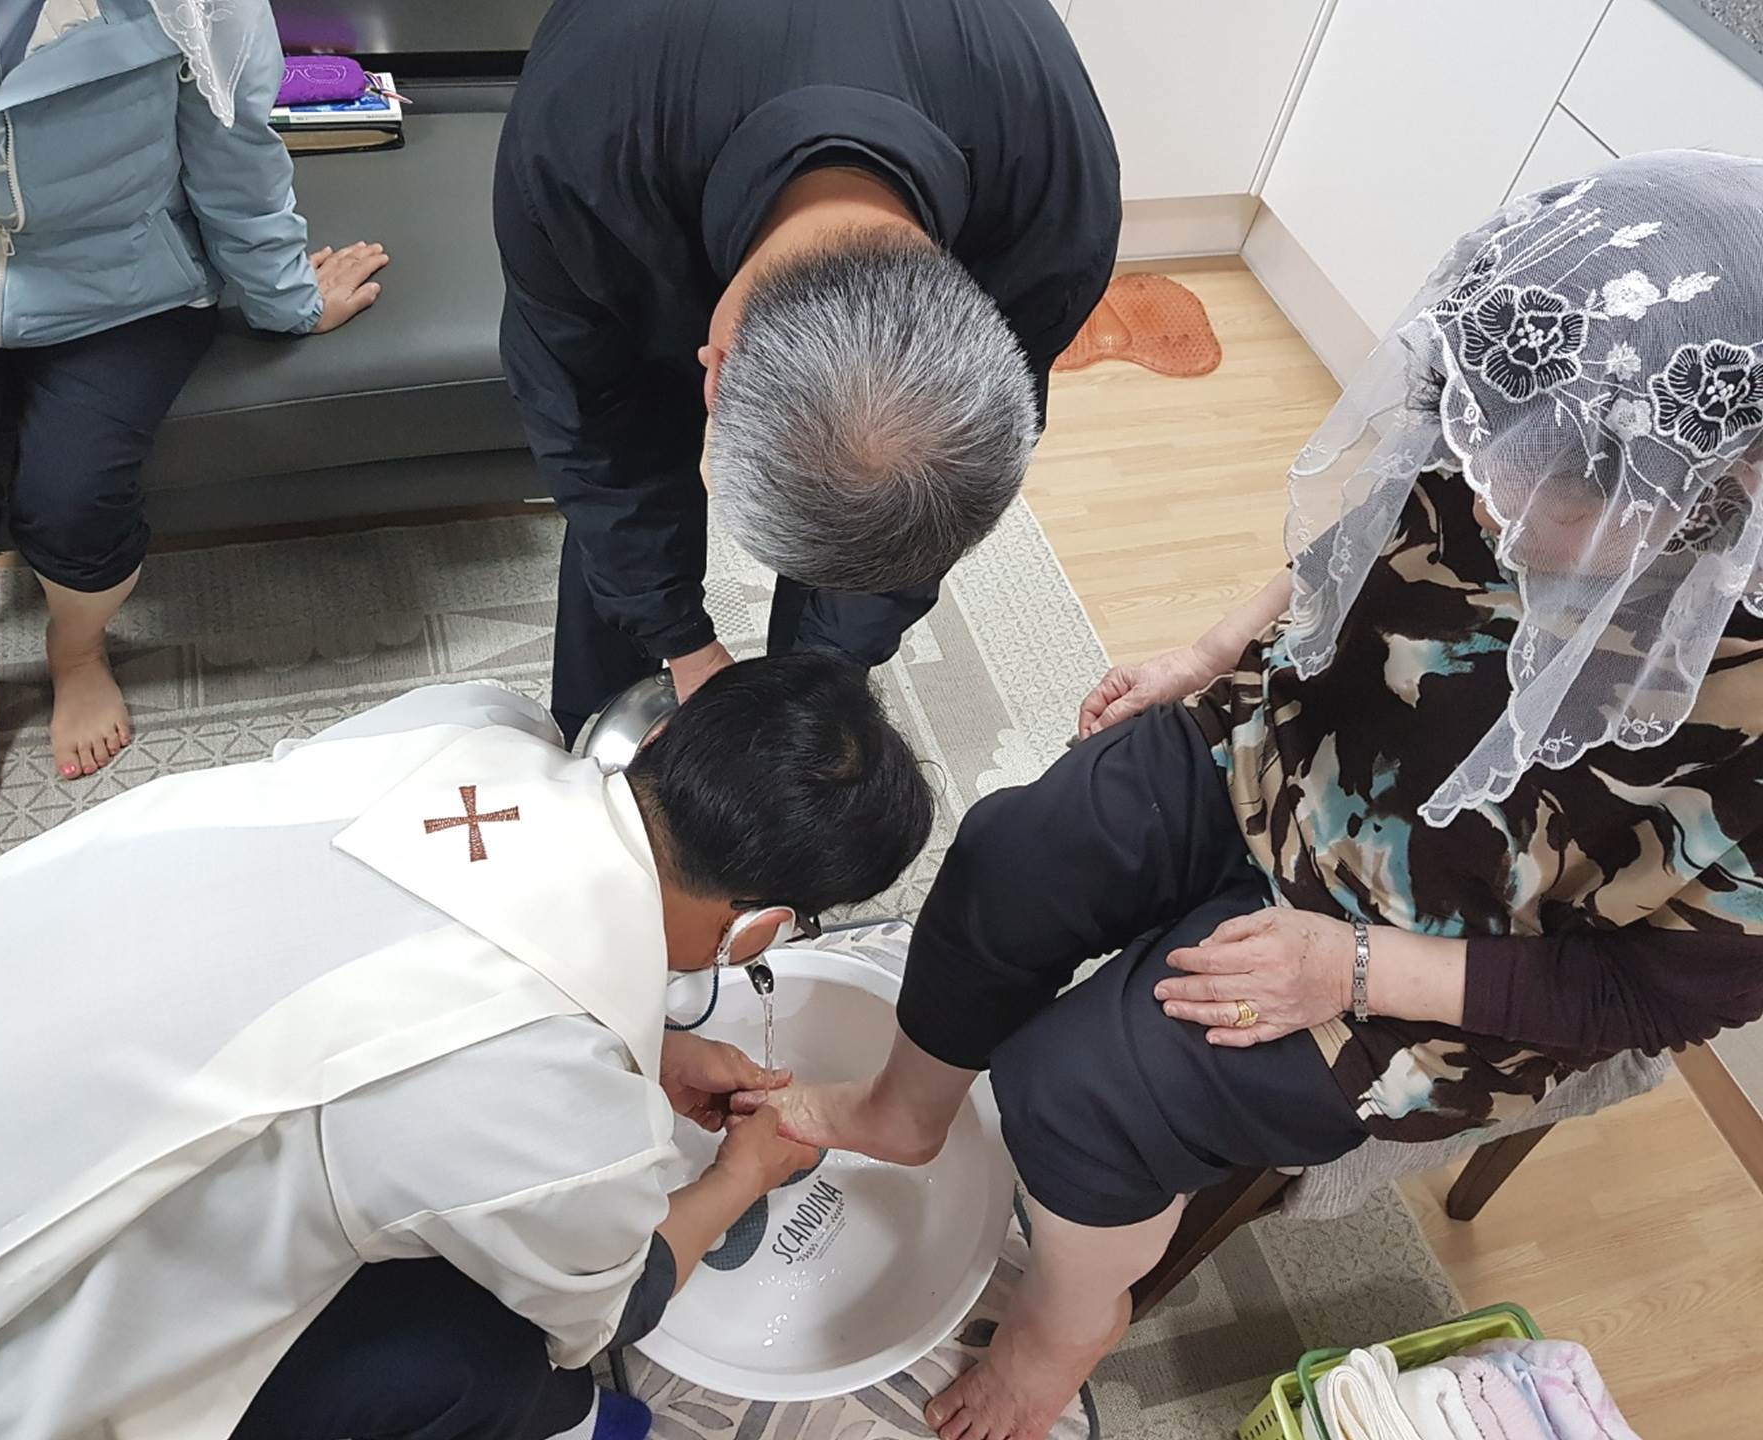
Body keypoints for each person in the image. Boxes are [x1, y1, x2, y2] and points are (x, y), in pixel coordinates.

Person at [748, 152, 1763, 1440]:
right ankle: (904, 1112)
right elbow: (1372, 532)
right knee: (1018, 852)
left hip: (1455, 950)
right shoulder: (1523, 421)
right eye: (1481, 440)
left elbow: (1656, 998)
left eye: (1538, 487)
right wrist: (1214, 647)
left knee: (1080, 1091)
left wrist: (1354, 967)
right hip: (1289, 748)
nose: (1483, 488)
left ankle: (1069, 1327)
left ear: (1710, 491)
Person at [0, 653, 935, 1440]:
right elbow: (616, 1300)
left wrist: (644, 1047)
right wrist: (741, 1177)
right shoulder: (555, 1114)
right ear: (759, 927)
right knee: (489, 1357)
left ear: (656, 739)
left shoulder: (471, 722)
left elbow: (397, 961)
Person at [494, 0, 1120, 742]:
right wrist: (681, 644)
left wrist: (822, 670)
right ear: (715, 373)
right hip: (637, 141)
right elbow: (594, 436)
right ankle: (591, 729)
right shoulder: (575, 152)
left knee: (875, 519)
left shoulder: (1055, 213)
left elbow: (924, 513)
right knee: (623, 474)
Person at [0, 0, 388, 832]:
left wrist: (287, 299)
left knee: (77, 497)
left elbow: (234, 149)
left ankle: (79, 653)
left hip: (124, 288)